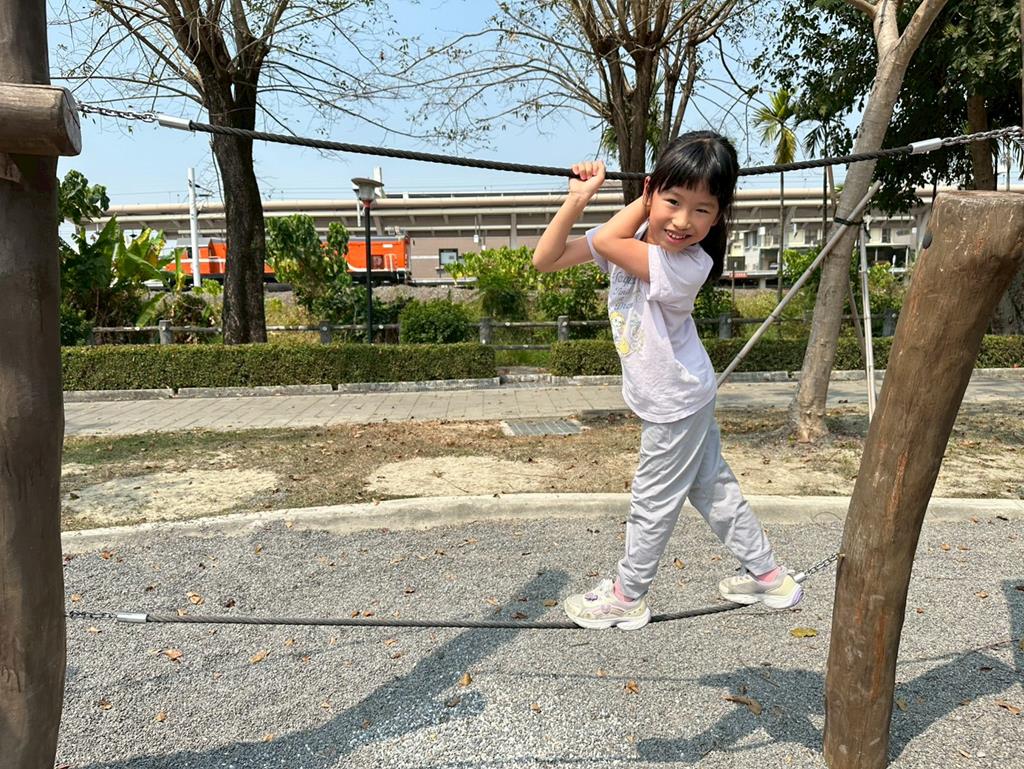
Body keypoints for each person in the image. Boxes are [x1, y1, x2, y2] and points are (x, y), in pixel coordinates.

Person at [532, 132, 803, 630]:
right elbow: (545, 259)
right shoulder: (634, 240)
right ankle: (769, 577)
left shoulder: (687, 264)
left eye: (702, 209)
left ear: (718, 217)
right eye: (674, 201)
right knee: (713, 489)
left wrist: (650, 195)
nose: (682, 221)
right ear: (654, 192)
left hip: (675, 400)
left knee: (652, 501)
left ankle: (627, 596)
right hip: (683, 393)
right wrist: (577, 200)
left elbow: (607, 242)